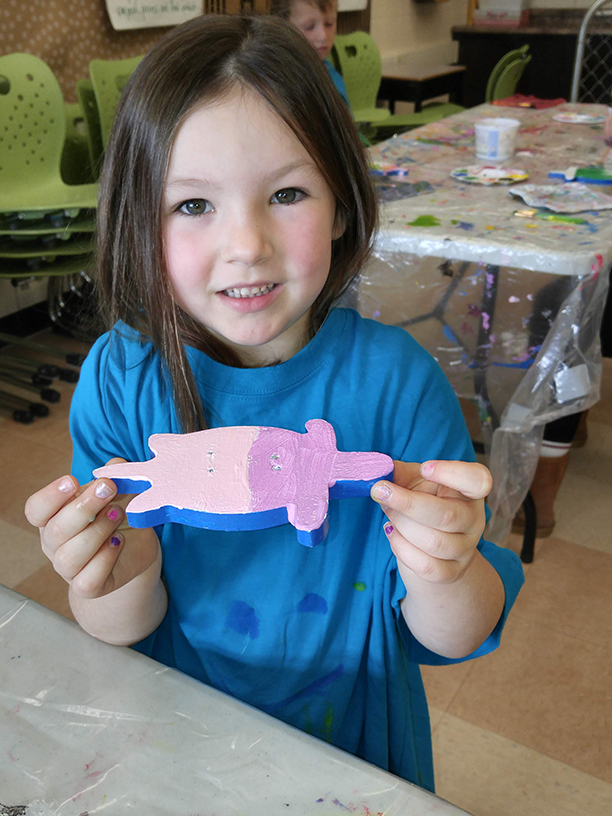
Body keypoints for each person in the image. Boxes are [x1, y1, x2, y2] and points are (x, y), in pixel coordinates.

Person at [24, 14, 523, 794]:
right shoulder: (122, 378)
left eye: (286, 193)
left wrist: (446, 568)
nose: (247, 244)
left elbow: (459, 635)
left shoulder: (396, 384)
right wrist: (109, 571)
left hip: (354, 737)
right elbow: (120, 627)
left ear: (343, 206)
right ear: (137, 222)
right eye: (192, 205)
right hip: (178, 728)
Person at [271, 0, 350, 107]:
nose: (323, 36)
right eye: (309, 27)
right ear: (284, 28)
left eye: (329, 24)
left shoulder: (331, 74)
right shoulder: (284, 82)